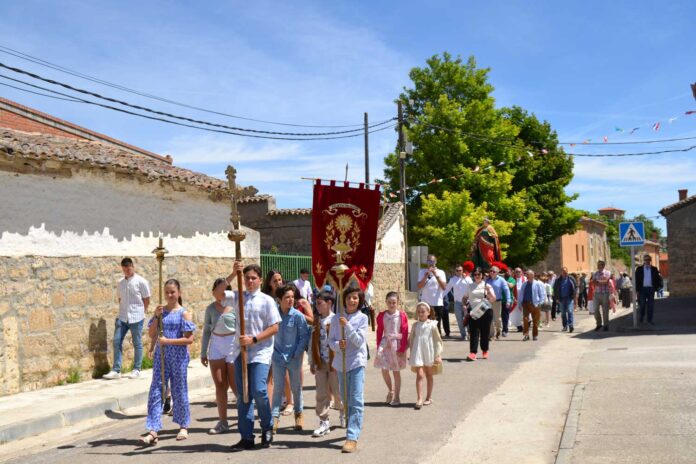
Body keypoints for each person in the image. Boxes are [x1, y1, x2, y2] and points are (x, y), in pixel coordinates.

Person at [227, 262, 281, 451]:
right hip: (241, 353)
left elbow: (275, 327)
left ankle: (267, 428)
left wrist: (254, 339)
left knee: (259, 390)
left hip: (260, 351)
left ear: (259, 280)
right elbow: (217, 293)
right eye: (247, 278)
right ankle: (246, 436)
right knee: (243, 395)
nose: (249, 281)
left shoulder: (267, 300)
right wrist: (234, 273)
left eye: (253, 278)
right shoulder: (237, 297)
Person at [139, 279, 195, 445]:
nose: (170, 295)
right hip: (161, 357)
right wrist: (156, 316)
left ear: (179, 293)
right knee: (156, 391)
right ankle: (153, 429)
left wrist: (168, 341)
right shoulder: (161, 312)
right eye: (167, 292)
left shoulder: (184, 313)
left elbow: (189, 339)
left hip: (178, 357)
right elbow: (151, 333)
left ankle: (183, 425)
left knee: (179, 390)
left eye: (173, 292)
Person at [329, 284, 368, 454]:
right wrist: (339, 345)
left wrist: (348, 327)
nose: (351, 300)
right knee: (346, 399)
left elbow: (359, 342)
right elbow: (331, 341)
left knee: (356, 399)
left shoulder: (362, 318)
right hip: (341, 363)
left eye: (355, 298)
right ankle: (351, 422)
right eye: (349, 297)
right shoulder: (335, 318)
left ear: (359, 301)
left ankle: (352, 436)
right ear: (343, 299)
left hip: (357, 362)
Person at [201, 278, 238, 435]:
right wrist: (203, 352)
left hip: (232, 344)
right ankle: (223, 422)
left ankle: (245, 414)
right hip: (216, 345)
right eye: (217, 290)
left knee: (235, 384)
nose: (220, 293)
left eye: (223, 290)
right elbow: (206, 332)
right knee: (220, 384)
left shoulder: (235, 305)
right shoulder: (210, 309)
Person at [104, 257, 151, 380]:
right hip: (123, 317)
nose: (126, 271)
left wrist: (142, 311)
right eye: (124, 269)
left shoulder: (141, 282)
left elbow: (146, 299)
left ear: (132, 267)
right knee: (116, 341)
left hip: (137, 316)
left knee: (137, 343)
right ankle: (116, 370)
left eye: (128, 268)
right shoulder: (120, 283)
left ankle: (136, 369)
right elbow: (120, 299)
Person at [271, 284, 310, 433]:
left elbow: (304, 336)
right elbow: (270, 336)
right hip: (277, 357)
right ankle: (274, 418)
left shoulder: (298, 316)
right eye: (287, 297)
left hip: (294, 357)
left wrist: (298, 352)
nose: (290, 300)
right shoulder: (274, 315)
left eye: (292, 297)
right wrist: (274, 354)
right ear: (279, 299)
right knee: (278, 389)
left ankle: (299, 414)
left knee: (296, 388)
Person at [308, 290, 344, 437]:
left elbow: (341, 341)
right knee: (321, 393)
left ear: (329, 303)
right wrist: (312, 361)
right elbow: (312, 342)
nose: (317, 306)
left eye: (319, 303)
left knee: (338, 391)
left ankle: (343, 410)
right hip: (320, 362)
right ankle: (324, 421)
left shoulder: (336, 320)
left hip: (335, 363)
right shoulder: (316, 320)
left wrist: (341, 361)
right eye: (316, 303)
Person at [375, 291, 409, 406]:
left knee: (396, 371)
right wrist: (378, 346)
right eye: (389, 302)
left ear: (398, 303)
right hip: (385, 344)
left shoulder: (402, 315)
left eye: (394, 302)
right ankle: (391, 390)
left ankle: (397, 397)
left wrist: (402, 348)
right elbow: (379, 331)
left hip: (397, 345)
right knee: (384, 369)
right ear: (386, 302)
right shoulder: (381, 315)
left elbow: (404, 332)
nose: (391, 305)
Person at [408, 302, 443, 409]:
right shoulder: (415, 325)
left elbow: (438, 341)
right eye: (419, 312)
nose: (421, 313)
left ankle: (428, 397)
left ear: (428, 312)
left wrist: (438, 355)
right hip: (418, 352)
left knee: (429, 374)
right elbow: (412, 340)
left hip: (429, 352)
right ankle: (419, 398)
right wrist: (410, 352)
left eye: (423, 312)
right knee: (419, 375)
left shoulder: (432, 325)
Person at [463, 267, 497, 361]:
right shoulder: (470, 286)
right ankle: (473, 353)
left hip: (485, 311)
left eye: (479, 274)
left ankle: (485, 350)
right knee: (473, 332)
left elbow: (493, 299)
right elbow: (465, 297)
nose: (477, 276)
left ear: (482, 275)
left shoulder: (487, 285)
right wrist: (464, 304)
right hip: (474, 312)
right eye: (475, 274)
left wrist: (488, 291)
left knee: (485, 332)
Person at [417, 254, 448, 337]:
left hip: (437, 303)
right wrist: (426, 276)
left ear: (436, 262)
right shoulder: (422, 271)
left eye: (432, 261)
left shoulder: (441, 272)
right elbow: (419, 286)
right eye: (429, 261)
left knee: (436, 326)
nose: (431, 263)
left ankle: (437, 345)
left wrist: (435, 274)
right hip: (425, 304)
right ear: (426, 262)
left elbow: (444, 287)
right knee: (425, 325)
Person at [444, 264, 473, 340]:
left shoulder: (468, 278)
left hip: (467, 302)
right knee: (459, 320)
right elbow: (447, 289)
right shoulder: (453, 279)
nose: (459, 272)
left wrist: (465, 278)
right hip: (457, 302)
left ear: (462, 271)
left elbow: (472, 287)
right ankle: (463, 335)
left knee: (467, 319)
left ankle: (470, 333)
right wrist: (441, 297)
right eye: (457, 270)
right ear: (455, 271)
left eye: (460, 270)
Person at [485, 265, 511, 341]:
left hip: (497, 302)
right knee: (489, 319)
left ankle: (498, 332)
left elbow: (506, 291)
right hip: (488, 302)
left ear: (497, 272)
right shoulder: (487, 280)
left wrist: (508, 300)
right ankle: (491, 335)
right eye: (490, 271)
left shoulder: (501, 280)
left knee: (497, 319)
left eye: (493, 271)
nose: (491, 272)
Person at [635, 255, 663, 325]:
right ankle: (642, 315)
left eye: (648, 260)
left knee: (650, 305)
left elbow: (658, 278)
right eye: (645, 260)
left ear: (650, 261)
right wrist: (637, 290)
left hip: (651, 289)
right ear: (643, 261)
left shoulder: (654, 269)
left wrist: (659, 286)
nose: (647, 261)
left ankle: (649, 320)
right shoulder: (639, 269)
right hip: (642, 290)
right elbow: (636, 280)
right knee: (642, 305)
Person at [519, 270, 546, 341]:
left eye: (528, 275)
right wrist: (520, 303)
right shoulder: (524, 284)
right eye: (526, 274)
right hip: (525, 304)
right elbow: (521, 294)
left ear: (532, 275)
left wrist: (540, 303)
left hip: (535, 304)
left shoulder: (538, 284)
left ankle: (535, 335)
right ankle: (526, 335)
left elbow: (542, 294)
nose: (527, 276)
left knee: (535, 321)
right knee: (525, 319)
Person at [554, 267, 577, 333]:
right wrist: (556, 298)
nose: (565, 272)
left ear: (567, 271)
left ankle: (571, 325)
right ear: (561, 272)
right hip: (561, 298)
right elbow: (555, 289)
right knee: (563, 313)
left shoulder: (571, 278)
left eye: (566, 271)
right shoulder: (558, 280)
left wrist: (575, 297)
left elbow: (575, 287)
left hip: (569, 298)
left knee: (570, 311)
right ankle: (565, 326)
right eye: (563, 271)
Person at [592, 260, 613, 331]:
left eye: (599, 264)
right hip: (596, 293)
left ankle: (606, 325)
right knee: (595, 309)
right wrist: (601, 281)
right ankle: (599, 323)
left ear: (603, 265)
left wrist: (598, 281)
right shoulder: (595, 273)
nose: (598, 266)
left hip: (605, 293)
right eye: (597, 264)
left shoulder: (607, 272)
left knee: (605, 310)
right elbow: (593, 282)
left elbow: (606, 281)